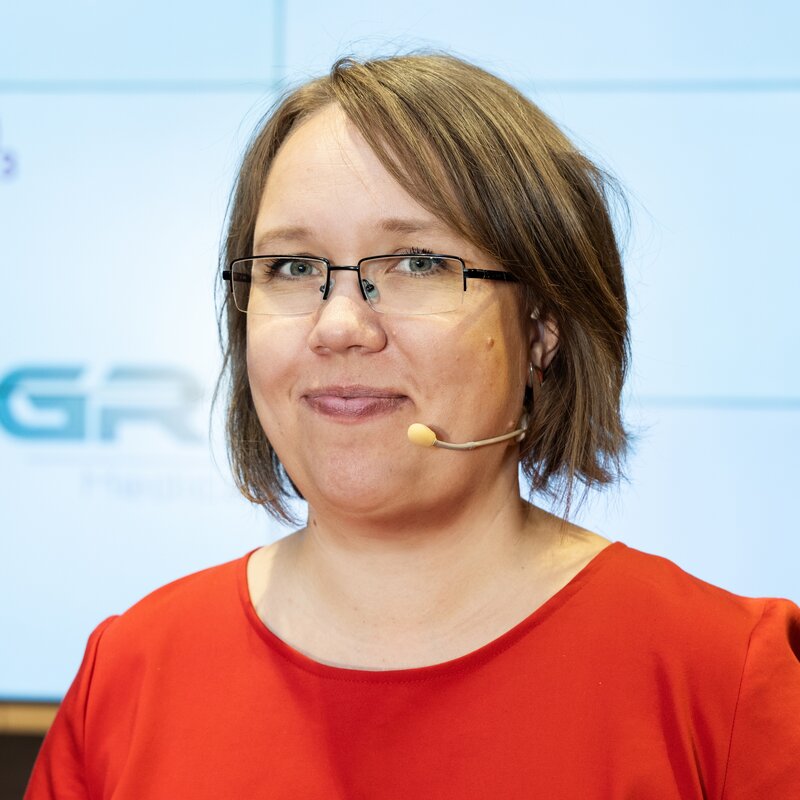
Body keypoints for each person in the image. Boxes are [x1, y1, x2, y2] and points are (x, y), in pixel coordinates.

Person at [26, 53, 800, 799]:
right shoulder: (129, 672)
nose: (339, 326)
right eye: (293, 267)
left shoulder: (725, 677)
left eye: (418, 262)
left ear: (543, 326)